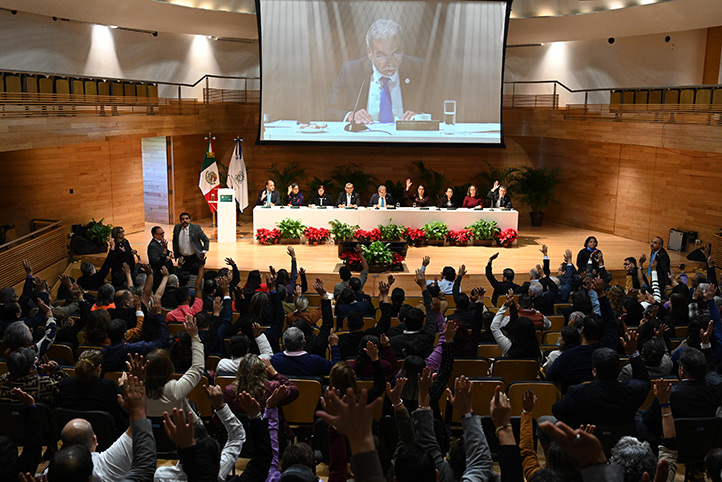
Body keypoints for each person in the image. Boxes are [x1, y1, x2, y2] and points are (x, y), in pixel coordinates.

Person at [328, 19, 425, 124]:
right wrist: (350, 115)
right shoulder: (351, 71)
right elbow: (327, 110)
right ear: (370, 52)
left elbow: (438, 108)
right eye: (382, 55)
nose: (390, 63)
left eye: (396, 53)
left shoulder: (419, 69)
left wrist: (422, 117)